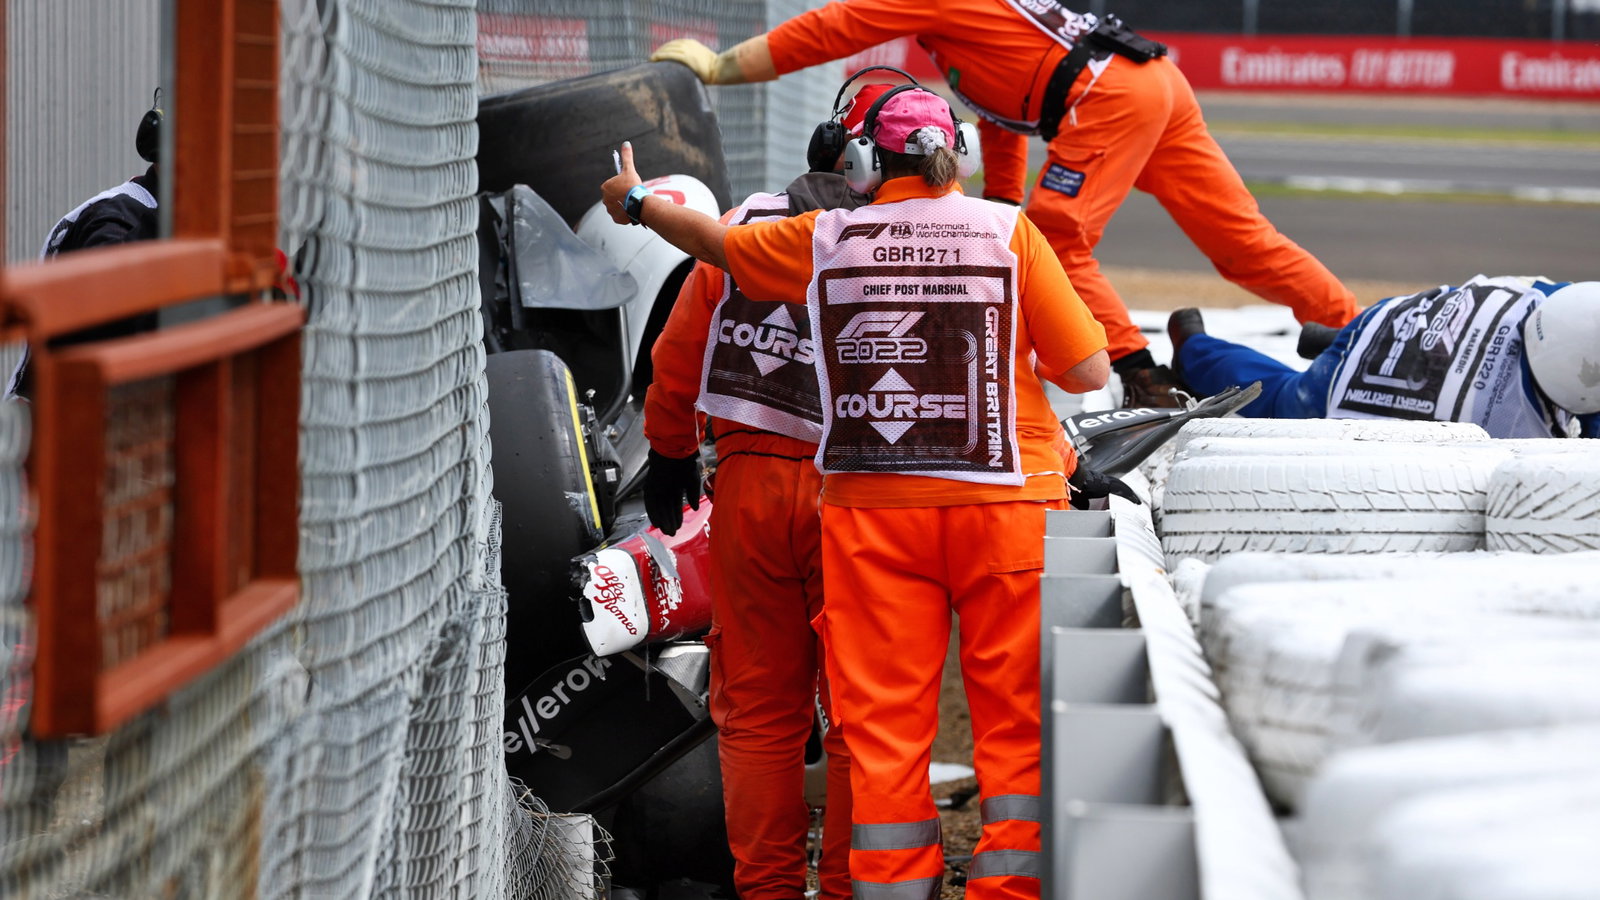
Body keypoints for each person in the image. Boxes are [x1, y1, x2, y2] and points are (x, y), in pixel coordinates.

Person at [604, 85, 1109, 898]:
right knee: (1000, 725)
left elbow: (699, 288)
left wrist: (635, 202)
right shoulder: (1006, 230)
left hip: (846, 507)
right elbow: (1081, 369)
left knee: (850, 725)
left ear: (860, 156)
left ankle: (796, 889)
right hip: (983, 505)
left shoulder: (813, 234)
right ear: (956, 154)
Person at [649, 1, 1360, 407]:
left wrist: (722, 67)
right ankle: (1356, 331)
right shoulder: (976, 23)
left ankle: (1138, 370)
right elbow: (1004, 113)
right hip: (1148, 83)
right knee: (1240, 241)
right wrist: (1000, 208)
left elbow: (836, 27)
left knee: (1056, 236)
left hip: (1106, 98)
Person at [639, 99, 876, 899]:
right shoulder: (910, 239)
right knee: (861, 714)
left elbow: (679, 350)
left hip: (749, 492)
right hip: (863, 500)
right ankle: (845, 888)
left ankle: (768, 890)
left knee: (758, 712)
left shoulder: (741, 226)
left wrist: (670, 447)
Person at [1166, 276, 1600, 439]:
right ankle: (1193, 352)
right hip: (1343, 384)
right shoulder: (1519, 427)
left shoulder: (1547, 298)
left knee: (1294, 384)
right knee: (1280, 398)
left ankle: (1196, 344)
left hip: (1384, 321)